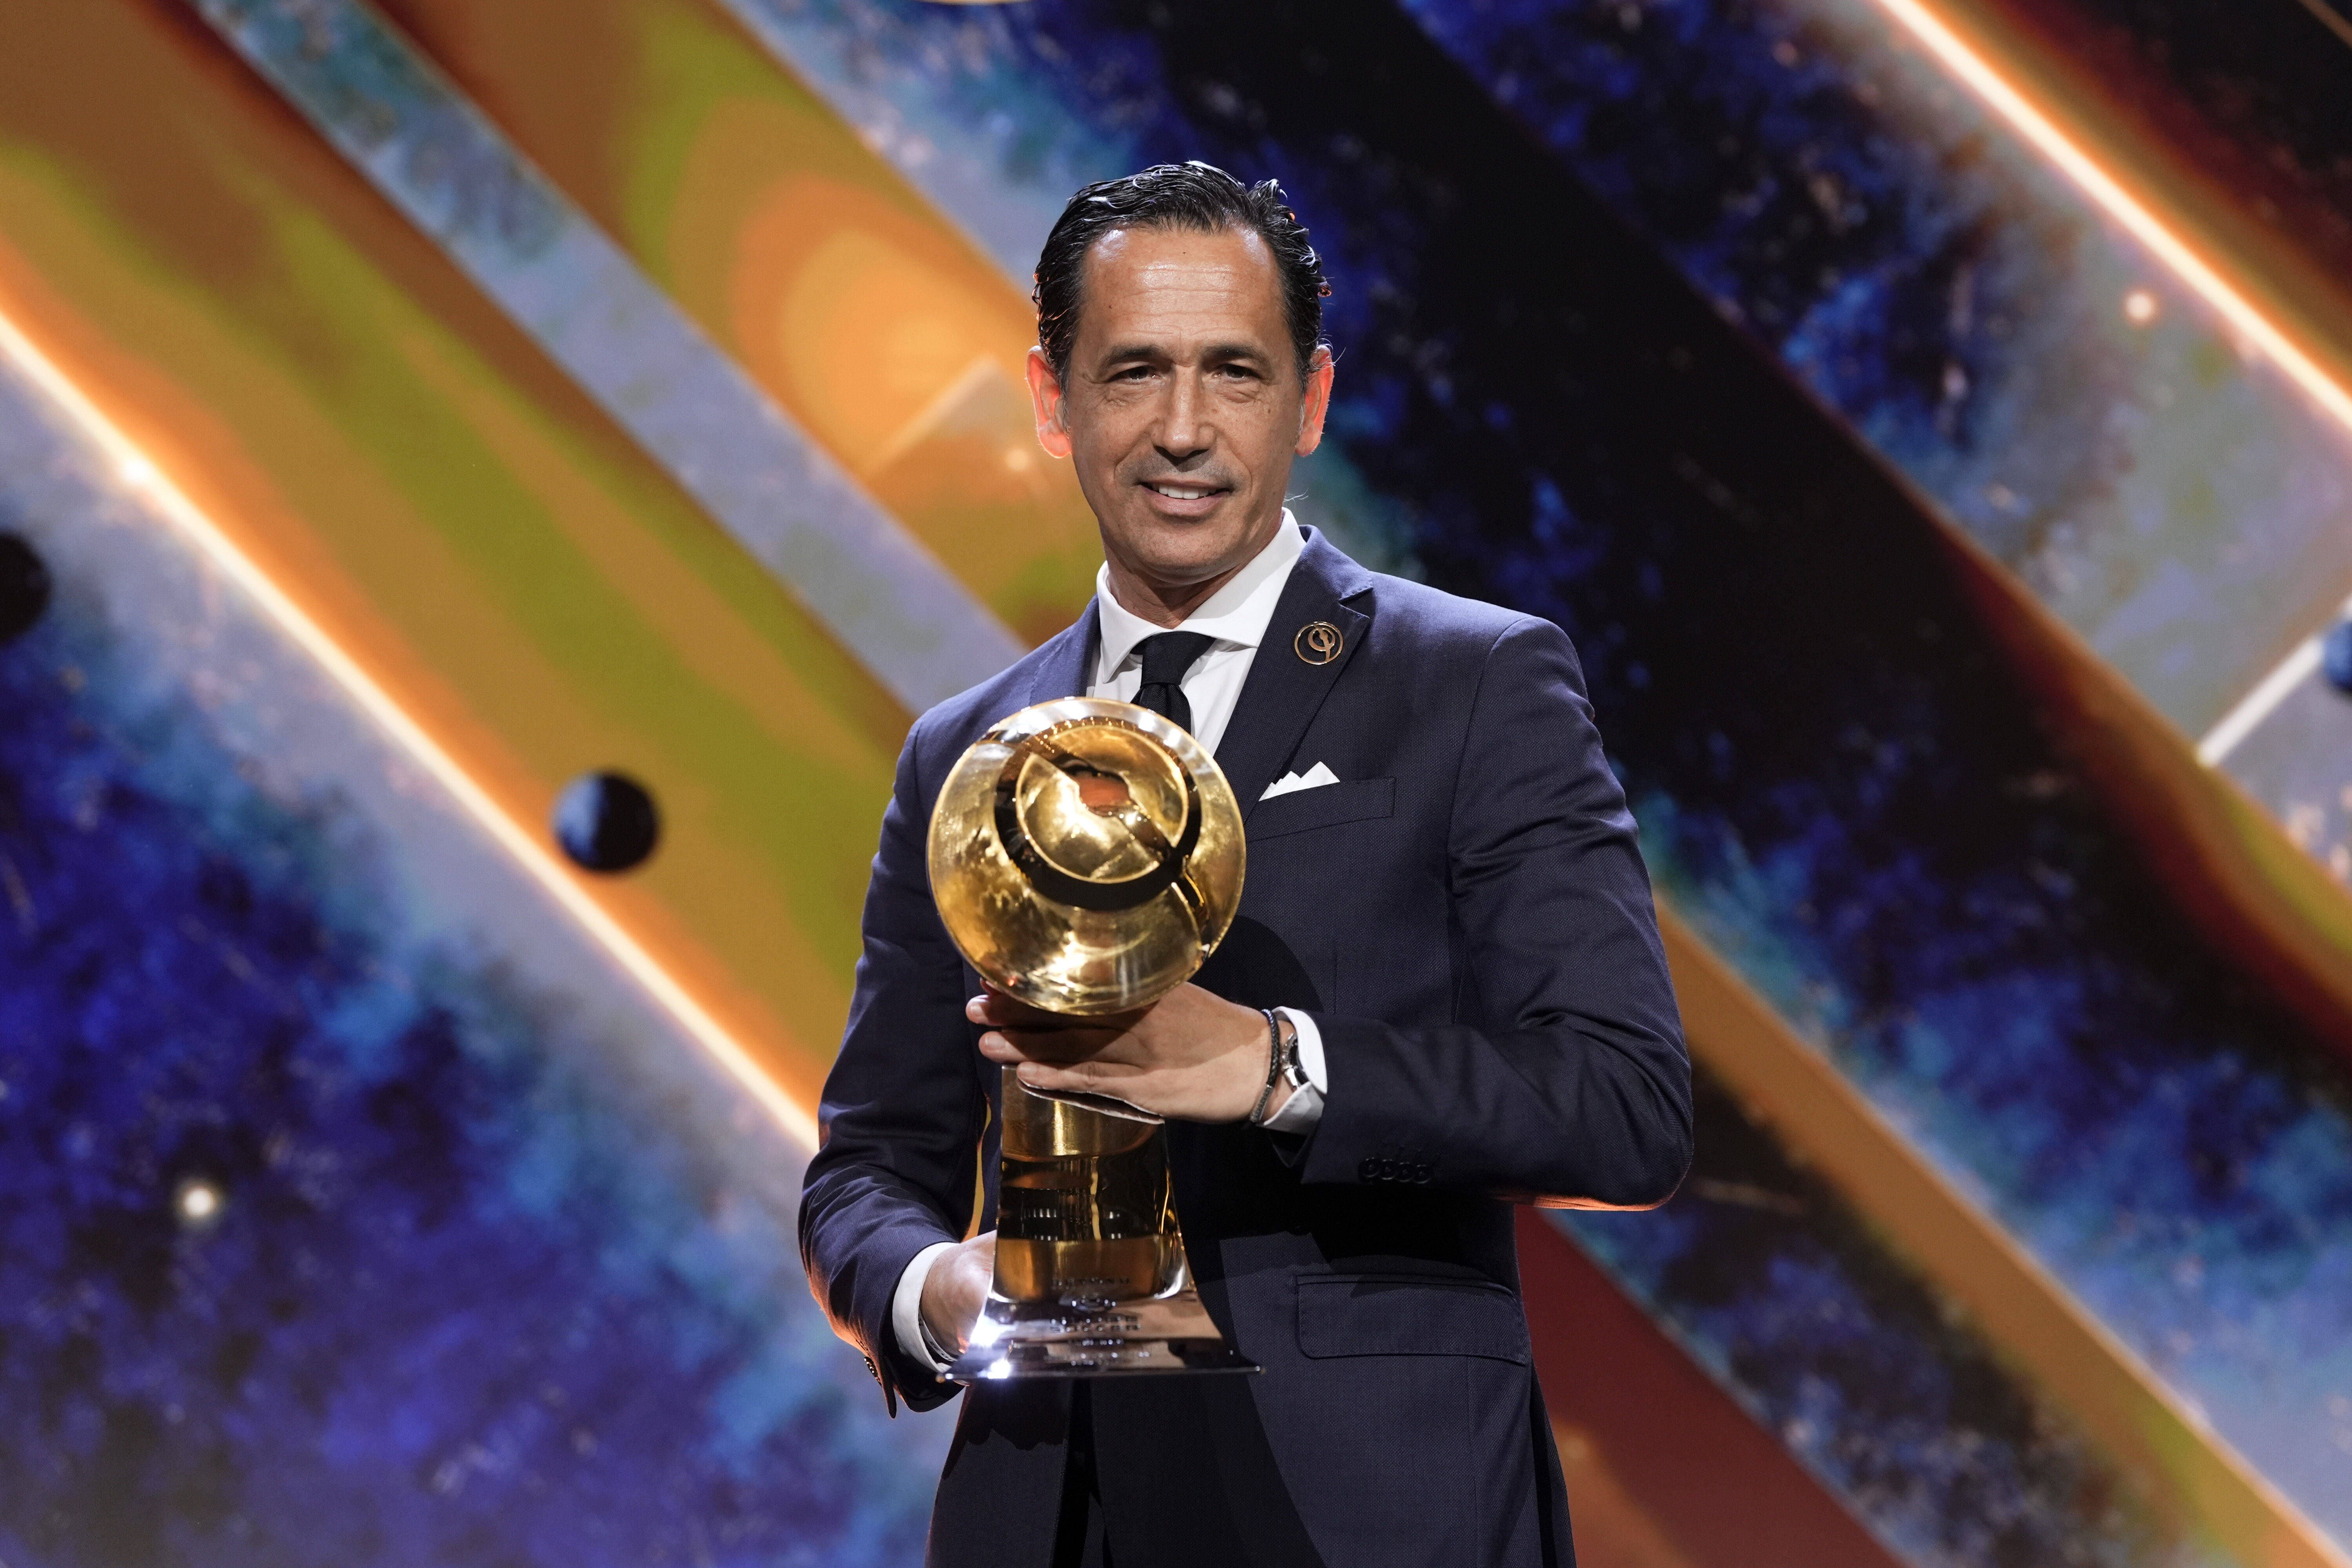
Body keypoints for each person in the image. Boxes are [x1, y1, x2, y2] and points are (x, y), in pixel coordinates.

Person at [799, 161, 1691, 1568]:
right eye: (1133, 372)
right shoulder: (962, 753)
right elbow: (867, 1166)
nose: (1183, 429)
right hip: (1049, 1510)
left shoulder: (1475, 684)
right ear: (1052, 400)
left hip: (1370, 1512)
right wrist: (935, 1292)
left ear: (1311, 399)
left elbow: (1623, 1106)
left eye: (1235, 372)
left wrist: (1274, 1067)